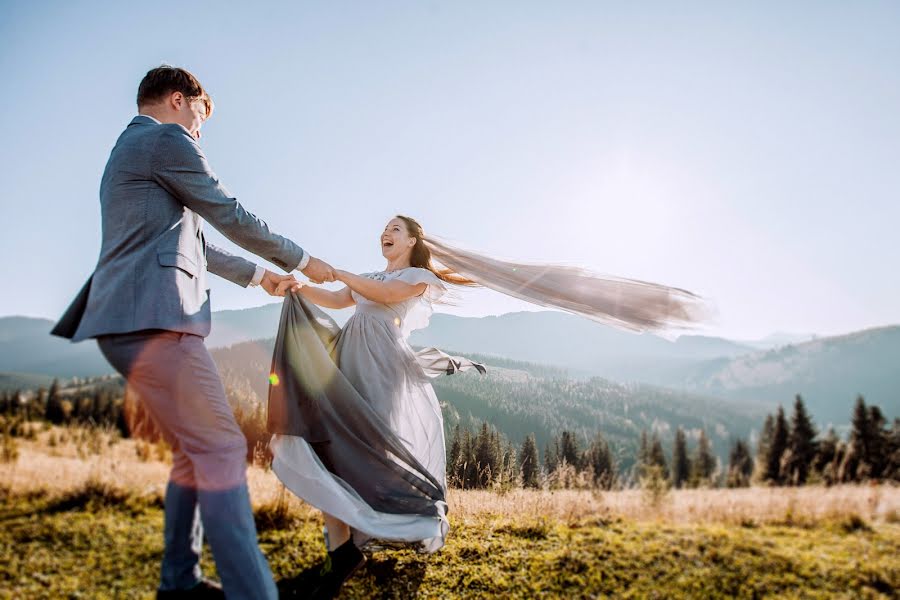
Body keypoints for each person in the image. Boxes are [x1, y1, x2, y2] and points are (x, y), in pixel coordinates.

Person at [51, 65, 334, 600]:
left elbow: (194, 242)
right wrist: (302, 258)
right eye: (202, 115)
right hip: (155, 322)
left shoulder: (128, 150)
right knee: (224, 446)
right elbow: (228, 213)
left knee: (192, 451)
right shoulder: (166, 140)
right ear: (180, 100)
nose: (201, 129)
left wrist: (260, 276)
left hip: (128, 322)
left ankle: (179, 580)